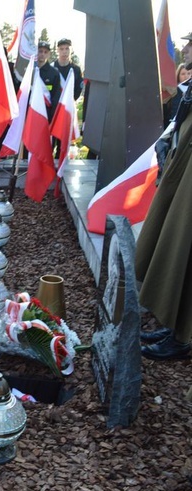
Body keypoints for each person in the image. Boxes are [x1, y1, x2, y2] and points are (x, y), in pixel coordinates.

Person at [136, 31, 192, 366]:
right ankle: (175, 328)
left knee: (186, 249)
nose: (186, 48)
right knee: (178, 247)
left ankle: (183, 334)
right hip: (183, 169)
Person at [36, 41, 62, 123]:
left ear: (49, 54)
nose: (42, 54)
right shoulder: (29, 70)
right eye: (40, 51)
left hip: (45, 114)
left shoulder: (54, 73)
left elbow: (55, 97)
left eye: (45, 52)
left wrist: (51, 119)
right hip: (29, 112)